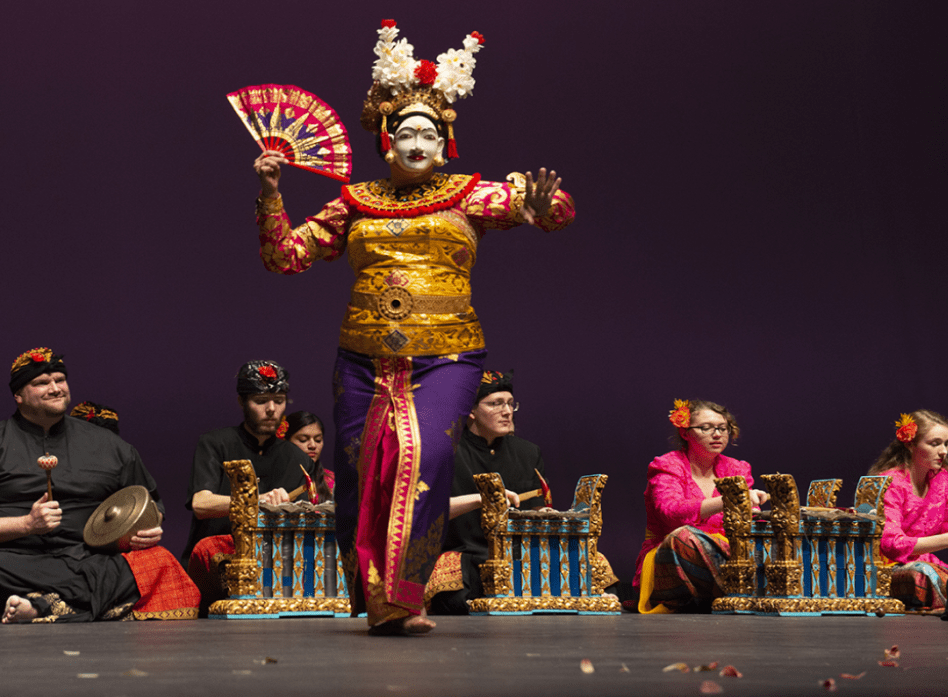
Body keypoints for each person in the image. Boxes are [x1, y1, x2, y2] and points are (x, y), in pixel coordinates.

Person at [252, 20, 575, 634]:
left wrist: (540, 208)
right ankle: (377, 599)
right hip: (362, 361)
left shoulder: (468, 194)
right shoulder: (354, 201)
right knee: (363, 472)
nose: (418, 140)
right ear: (386, 141)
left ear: (445, 141)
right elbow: (284, 256)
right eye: (406, 132)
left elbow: (555, 210)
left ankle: (403, 594)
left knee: (419, 459)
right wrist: (270, 191)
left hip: (446, 358)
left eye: (430, 131)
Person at [0, 348, 198, 623]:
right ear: (18, 395)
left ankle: (41, 607)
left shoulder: (109, 445)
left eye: (60, 380)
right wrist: (26, 524)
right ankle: (88, 603)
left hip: (93, 558)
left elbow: (151, 506)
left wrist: (145, 530)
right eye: (41, 383)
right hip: (17, 559)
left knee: (158, 560)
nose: (55, 388)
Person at [429, 371, 618, 613]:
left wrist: (546, 513)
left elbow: (536, 506)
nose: (507, 412)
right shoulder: (447, 452)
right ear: (471, 411)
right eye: (495, 404)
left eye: (510, 404)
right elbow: (429, 512)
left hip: (521, 553)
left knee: (598, 576)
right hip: (466, 552)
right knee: (452, 596)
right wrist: (483, 499)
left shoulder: (527, 452)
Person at [181, 363, 324, 614]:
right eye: (261, 401)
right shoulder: (215, 443)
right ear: (242, 402)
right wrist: (255, 501)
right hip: (218, 559)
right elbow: (200, 504)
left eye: (278, 401)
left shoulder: (298, 459)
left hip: (275, 563)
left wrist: (288, 509)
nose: (271, 409)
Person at [633, 399, 768, 613]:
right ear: (685, 433)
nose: (717, 434)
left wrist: (754, 511)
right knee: (684, 538)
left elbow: (747, 522)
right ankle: (737, 593)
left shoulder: (737, 468)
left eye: (723, 428)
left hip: (726, 553)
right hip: (674, 555)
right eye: (706, 428)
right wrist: (731, 499)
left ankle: (736, 592)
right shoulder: (667, 465)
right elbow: (671, 513)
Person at [869, 410, 948, 612]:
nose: (943, 451)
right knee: (920, 575)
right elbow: (892, 545)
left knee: (928, 572)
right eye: (934, 443)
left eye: (946, 444)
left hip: (928, 564)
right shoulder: (891, 483)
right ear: (910, 444)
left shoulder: (942, 481)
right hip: (887, 569)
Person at [282, 410, 334, 494]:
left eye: (318, 440)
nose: (313, 445)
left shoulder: (331, 480)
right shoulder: (271, 478)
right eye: (303, 440)